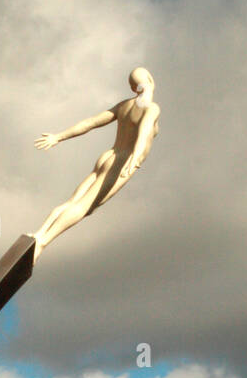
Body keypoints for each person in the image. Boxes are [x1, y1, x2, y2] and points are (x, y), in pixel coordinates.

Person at [32, 66, 160, 260]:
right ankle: (42, 242)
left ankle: (39, 233)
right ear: (151, 80)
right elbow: (143, 131)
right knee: (84, 207)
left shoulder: (123, 106)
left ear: (134, 88)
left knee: (74, 201)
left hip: (107, 156)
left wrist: (58, 136)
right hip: (122, 161)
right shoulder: (151, 108)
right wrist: (135, 156)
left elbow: (90, 123)